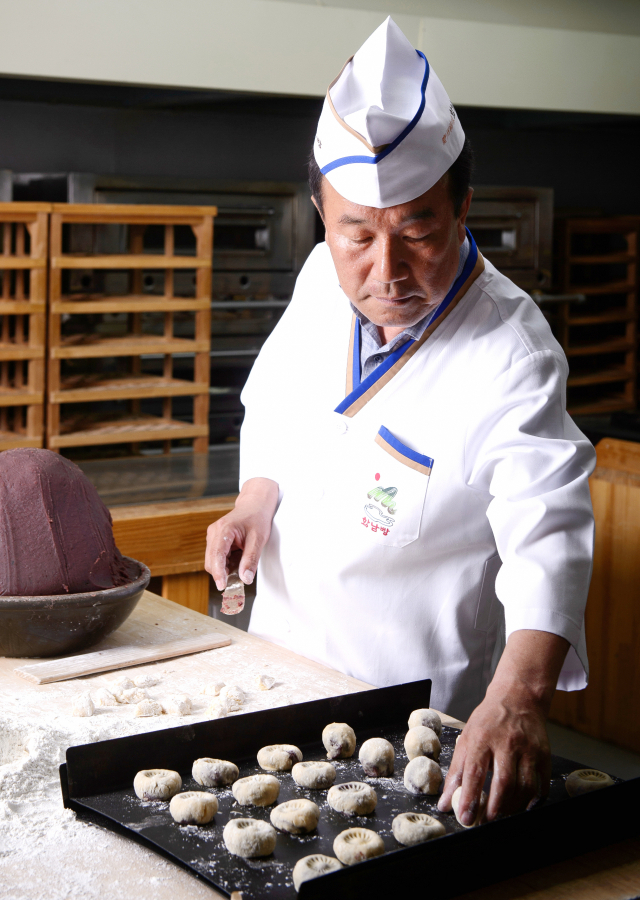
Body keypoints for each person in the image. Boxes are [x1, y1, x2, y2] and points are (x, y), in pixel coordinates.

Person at [205, 18, 595, 826]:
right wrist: (255, 499)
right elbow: (278, 402)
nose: (385, 273)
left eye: (417, 232)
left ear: (463, 208)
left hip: (404, 722)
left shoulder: (510, 353)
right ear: (321, 212)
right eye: (357, 234)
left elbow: (546, 535)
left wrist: (519, 696)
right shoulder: (322, 281)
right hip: (274, 675)